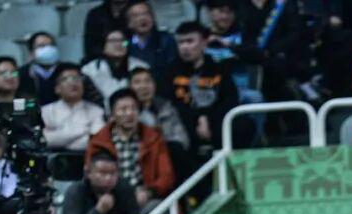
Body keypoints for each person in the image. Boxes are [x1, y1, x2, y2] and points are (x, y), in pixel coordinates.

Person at [86, 88, 176, 209]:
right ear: (112, 114)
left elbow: (167, 176)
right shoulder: (98, 141)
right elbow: (91, 177)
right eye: (123, 109)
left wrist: (148, 192)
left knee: (158, 208)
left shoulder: (154, 138)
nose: (129, 113)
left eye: (133, 108)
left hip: (144, 197)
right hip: (110, 198)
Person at [162, 22, 240, 156]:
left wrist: (207, 119)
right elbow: (170, 103)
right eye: (181, 42)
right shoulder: (170, 71)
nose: (185, 47)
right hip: (185, 123)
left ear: (204, 43)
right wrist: (198, 118)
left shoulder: (219, 68)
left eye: (190, 41)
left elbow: (230, 100)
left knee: (243, 124)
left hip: (216, 122)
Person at [60, 150, 142, 214]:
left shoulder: (123, 188)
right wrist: (98, 211)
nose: (108, 178)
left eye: (112, 173)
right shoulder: (76, 191)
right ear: (88, 173)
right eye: (103, 173)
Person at [41, 64, 106, 152]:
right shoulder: (46, 112)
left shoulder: (96, 111)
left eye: (76, 78)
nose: (73, 83)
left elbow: (95, 140)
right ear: (57, 89)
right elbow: (44, 140)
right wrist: (84, 130)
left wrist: (58, 137)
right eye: (65, 79)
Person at [83, 28, 151, 108]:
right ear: (103, 46)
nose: (119, 44)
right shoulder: (89, 70)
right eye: (113, 41)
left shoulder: (142, 66)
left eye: (123, 41)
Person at [126, 0, 178, 76]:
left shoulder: (166, 40)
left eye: (146, 14)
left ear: (153, 18)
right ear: (129, 23)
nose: (142, 18)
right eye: (136, 16)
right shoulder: (126, 44)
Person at [18, 33, 67, 106]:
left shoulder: (67, 71)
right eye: (41, 46)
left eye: (51, 45)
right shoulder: (21, 74)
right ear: (31, 52)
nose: (48, 49)